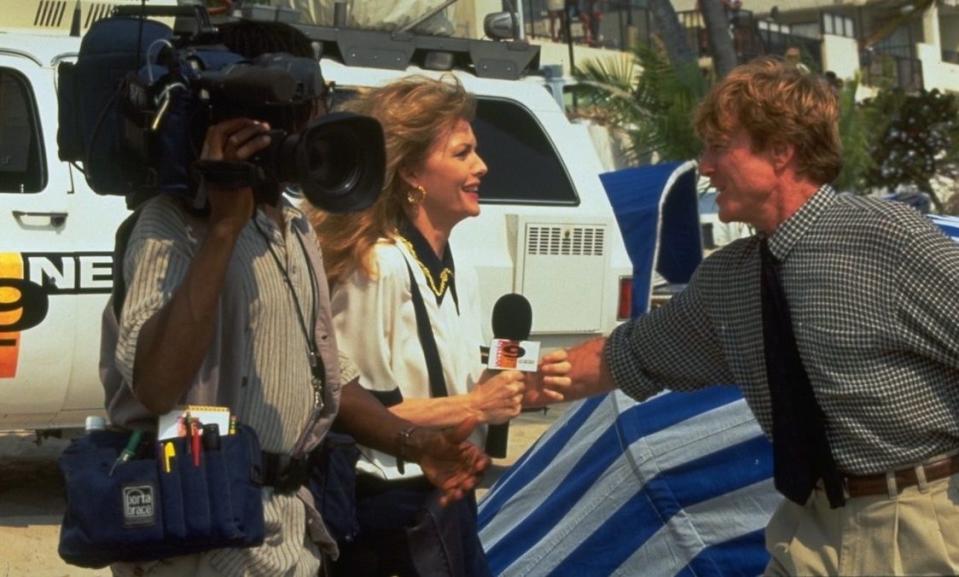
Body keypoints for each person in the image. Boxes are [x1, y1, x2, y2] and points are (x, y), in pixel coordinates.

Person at [100, 21, 488, 577]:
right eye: (309, 102)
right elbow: (157, 384)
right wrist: (224, 229)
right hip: (202, 546)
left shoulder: (292, 228)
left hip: (289, 539)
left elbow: (330, 377)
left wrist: (416, 443)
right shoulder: (169, 227)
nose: (320, 120)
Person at [562, 56, 959, 576]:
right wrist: (497, 390)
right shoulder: (729, 280)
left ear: (781, 151)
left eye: (719, 147)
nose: (703, 166)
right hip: (810, 526)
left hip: (921, 524)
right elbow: (625, 356)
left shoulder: (889, 239)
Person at [308, 76, 571, 577]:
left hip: (446, 496)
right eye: (463, 154)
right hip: (389, 515)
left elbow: (465, 365)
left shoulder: (456, 266)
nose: (482, 167)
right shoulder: (379, 267)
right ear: (411, 173)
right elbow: (356, 409)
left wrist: (527, 379)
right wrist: (474, 405)